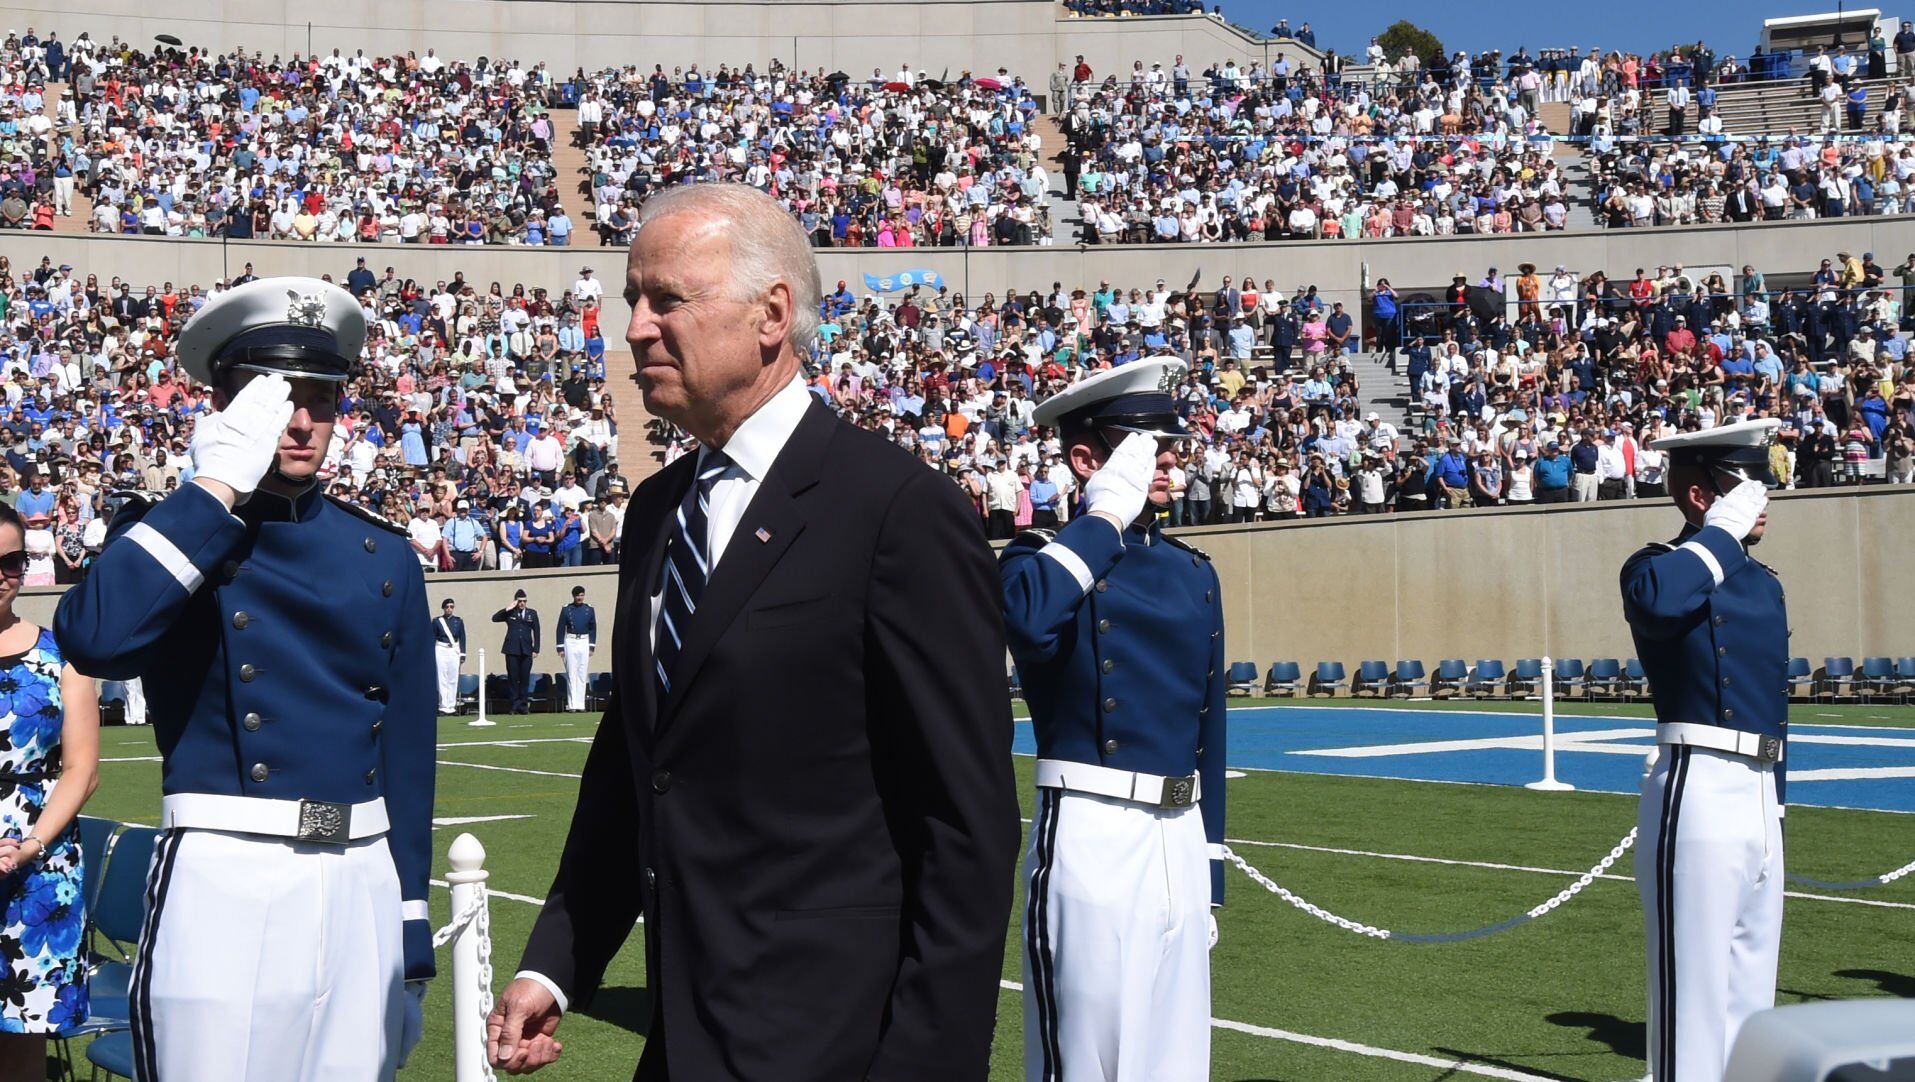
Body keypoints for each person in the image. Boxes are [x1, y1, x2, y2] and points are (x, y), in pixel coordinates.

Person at [488, 183, 1019, 1081]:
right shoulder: (657, 511)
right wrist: (558, 963)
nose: (636, 329)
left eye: (667, 299)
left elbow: (964, 823)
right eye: (633, 300)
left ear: (772, 314)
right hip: (683, 1037)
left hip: (835, 1043)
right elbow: (636, 765)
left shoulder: (895, 509)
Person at [53, 277, 435, 1080]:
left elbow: (406, 753)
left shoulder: (384, 553)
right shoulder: (177, 531)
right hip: (226, 871)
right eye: (276, 398)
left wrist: (408, 932)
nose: (299, 421)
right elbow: (95, 640)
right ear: (224, 406)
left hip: (360, 873)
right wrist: (214, 489)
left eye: (320, 399)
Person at [1001, 355, 1225, 1082]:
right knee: (1086, 1062)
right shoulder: (1040, 559)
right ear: (1085, 459)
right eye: (1146, 447)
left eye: (1171, 446)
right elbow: (1029, 620)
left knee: (1175, 1064)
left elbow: (1208, 727)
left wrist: (1210, 872)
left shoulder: (1192, 571)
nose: (1168, 461)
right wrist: (1102, 517)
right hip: (1092, 827)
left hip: (1179, 834)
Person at [1621, 418, 1788, 1082]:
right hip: (1699, 782)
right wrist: (1719, 532)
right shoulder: (1656, 566)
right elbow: (1661, 603)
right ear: (1700, 496)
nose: (1763, 502)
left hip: (1759, 791)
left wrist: (1776, 805)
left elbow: (1770, 700)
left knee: (1752, 1002)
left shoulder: (1763, 581)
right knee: (1690, 1003)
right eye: (1748, 489)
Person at [0, 500, 99, 1076]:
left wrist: (31, 846)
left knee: (22, 1040)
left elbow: (81, 770)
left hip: (39, 864)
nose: (1, 575)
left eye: (11, 561)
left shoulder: (62, 654)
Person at [493, 590, 540, 714]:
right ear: (515, 601)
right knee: (513, 679)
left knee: (524, 679)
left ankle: (523, 705)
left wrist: (536, 649)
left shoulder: (532, 613)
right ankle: (514, 705)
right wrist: (507, 608)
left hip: (526, 650)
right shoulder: (510, 613)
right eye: (520, 601)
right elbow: (495, 618)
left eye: (524, 601)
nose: (522, 603)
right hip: (512, 649)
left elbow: (537, 631)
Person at [555, 585, 596, 711]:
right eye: (577, 595)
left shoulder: (589, 609)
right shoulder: (566, 609)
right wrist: (560, 647)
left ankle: (581, 704)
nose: (580, 598)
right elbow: (560, 628)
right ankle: (572, 704)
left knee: (582, 673)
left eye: (582, 595)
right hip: (571, 641)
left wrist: (591, 646)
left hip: (584, 641)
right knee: (572, 673)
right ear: (573, 596)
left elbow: (593, 628)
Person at [434, 597, 467, 716]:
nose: (449, 609)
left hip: (454, 649)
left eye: (451, 607)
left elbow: (462, 637)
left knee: (453, 678)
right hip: (441, 648)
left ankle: (451, 706)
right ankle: (443, 706)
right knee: (441, 678)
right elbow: (432, 637)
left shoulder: (458, 621)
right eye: (447, 607)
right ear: (443, 608)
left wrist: (463, 654)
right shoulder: (437, 621)